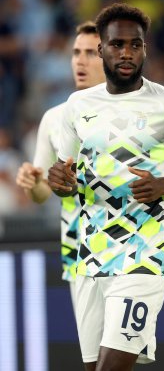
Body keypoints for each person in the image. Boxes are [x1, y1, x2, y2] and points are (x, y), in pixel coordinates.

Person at [48, 3, 164, 371]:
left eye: (136, 45)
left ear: (146, 48)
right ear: (101, 49)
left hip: (144, 254)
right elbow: (65, 177)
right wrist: (60, 183)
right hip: (91, 256)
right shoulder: (76, 107)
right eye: (117, 45)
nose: (127, 52)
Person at [16, 21, 106, 310]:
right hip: (77, 252)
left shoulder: (139, 115)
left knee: (123, 353)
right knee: (93, 357)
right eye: (76, 52)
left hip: (133, 248)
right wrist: (33, 184)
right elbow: (42, 194)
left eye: (91, 52)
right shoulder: (54, 118)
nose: (80, 60)